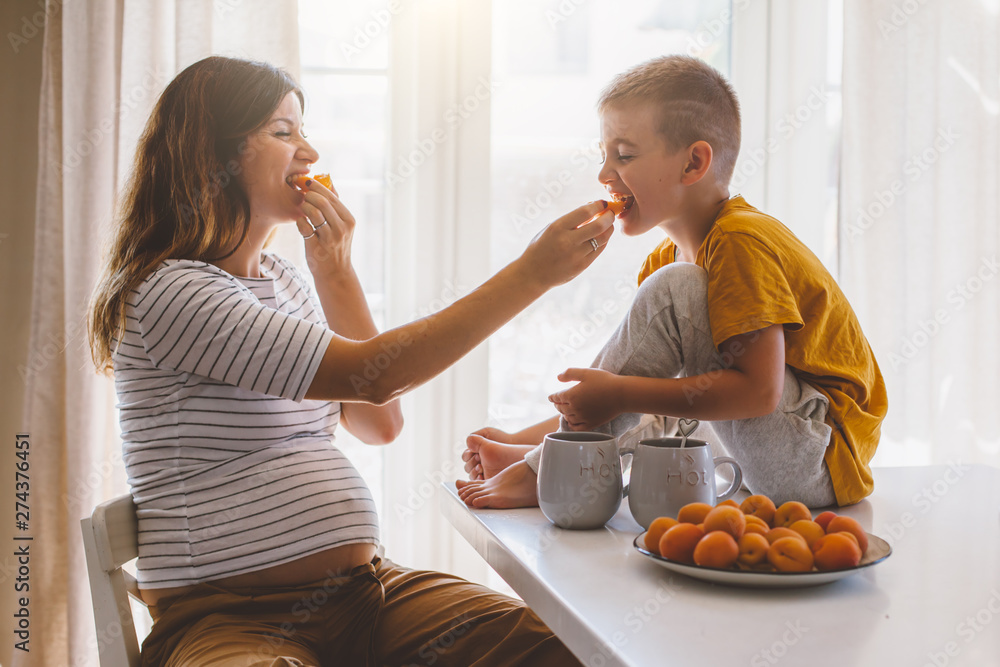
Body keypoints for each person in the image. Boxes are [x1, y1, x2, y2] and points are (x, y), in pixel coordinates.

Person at [87, 56, 613, 666]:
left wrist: (334, 271)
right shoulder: (172, 290)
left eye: (303, 131)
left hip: (369, 596)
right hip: (231, 617)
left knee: (563, 650)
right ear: (212, 157)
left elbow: (379, 421)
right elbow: (382, 372)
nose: (308, 152)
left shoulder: (281, 279)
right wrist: (532, 273)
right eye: (283, 132)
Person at [456, 55, 888, 511]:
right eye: (603, 157)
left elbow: (760, 393)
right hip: (758, 452)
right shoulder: (665, 258)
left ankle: (543, 468)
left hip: (817, 456)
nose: (605, 175)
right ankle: (542, 455)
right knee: (667, 403)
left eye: (623, 156)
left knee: (674, 292)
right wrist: (526, 435)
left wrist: (619, 392)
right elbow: (647, 404)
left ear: (693, 164)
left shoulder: (738, 241)